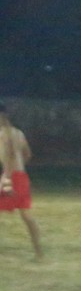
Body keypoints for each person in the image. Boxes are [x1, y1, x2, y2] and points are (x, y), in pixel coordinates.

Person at [0, 102, 43, 258]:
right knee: (26, 216)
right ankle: (38, 252)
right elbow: (27, 154)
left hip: (10, 176)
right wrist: (19, 169)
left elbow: (9, 156)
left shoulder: (3, 135)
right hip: (21, 175)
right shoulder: (18, 133)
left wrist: (7, 178)